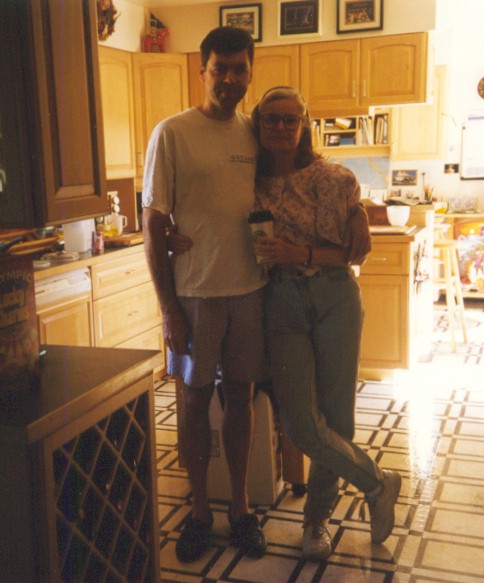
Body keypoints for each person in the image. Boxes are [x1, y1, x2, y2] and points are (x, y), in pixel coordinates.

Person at [250, 86, 402, 561]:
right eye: (271, 119)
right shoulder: (246, 181)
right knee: (300, 424)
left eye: (290, 119)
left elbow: (351, 254)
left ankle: (316, 522)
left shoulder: (333, 179)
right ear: (258, 125)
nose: (280, 127)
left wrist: (300, 250)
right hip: (281, 302)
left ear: (304, 126)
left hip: (334, 296)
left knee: (337, 419)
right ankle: (378, 483)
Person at [141, 26, 268, 562]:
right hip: (193, 295)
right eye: (221, 69)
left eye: (240, 69)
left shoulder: (255, 133)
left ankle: (240, 509)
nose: (230, 79)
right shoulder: (172, 133)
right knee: (192, 402)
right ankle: (198, 512)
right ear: (203, 71)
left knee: (240, 399)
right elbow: (153, 224)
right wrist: (168, 309)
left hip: (250, 291)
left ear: (250, 72)